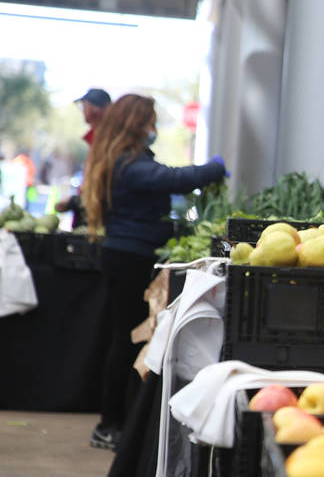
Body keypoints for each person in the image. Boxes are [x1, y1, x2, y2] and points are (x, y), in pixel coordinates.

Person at [81, 94, 226, 450]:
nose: (154, 129)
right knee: (125, 339)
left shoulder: (121, 158)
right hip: (129, 258)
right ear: (136, 124)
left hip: (128, 255)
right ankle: (109, 425)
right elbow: (171, 179)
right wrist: (213, 169)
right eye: (150, 122)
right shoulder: (129, 164)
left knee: (127, 339)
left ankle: (116, 422)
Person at [55, 88, 111, 226]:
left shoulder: (107, 139)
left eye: (84, 106)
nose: (83, 111)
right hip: (87, 208)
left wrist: (74, 202)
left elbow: (100, 184)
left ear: (94, 109)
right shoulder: (97, 138)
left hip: (97, 215)